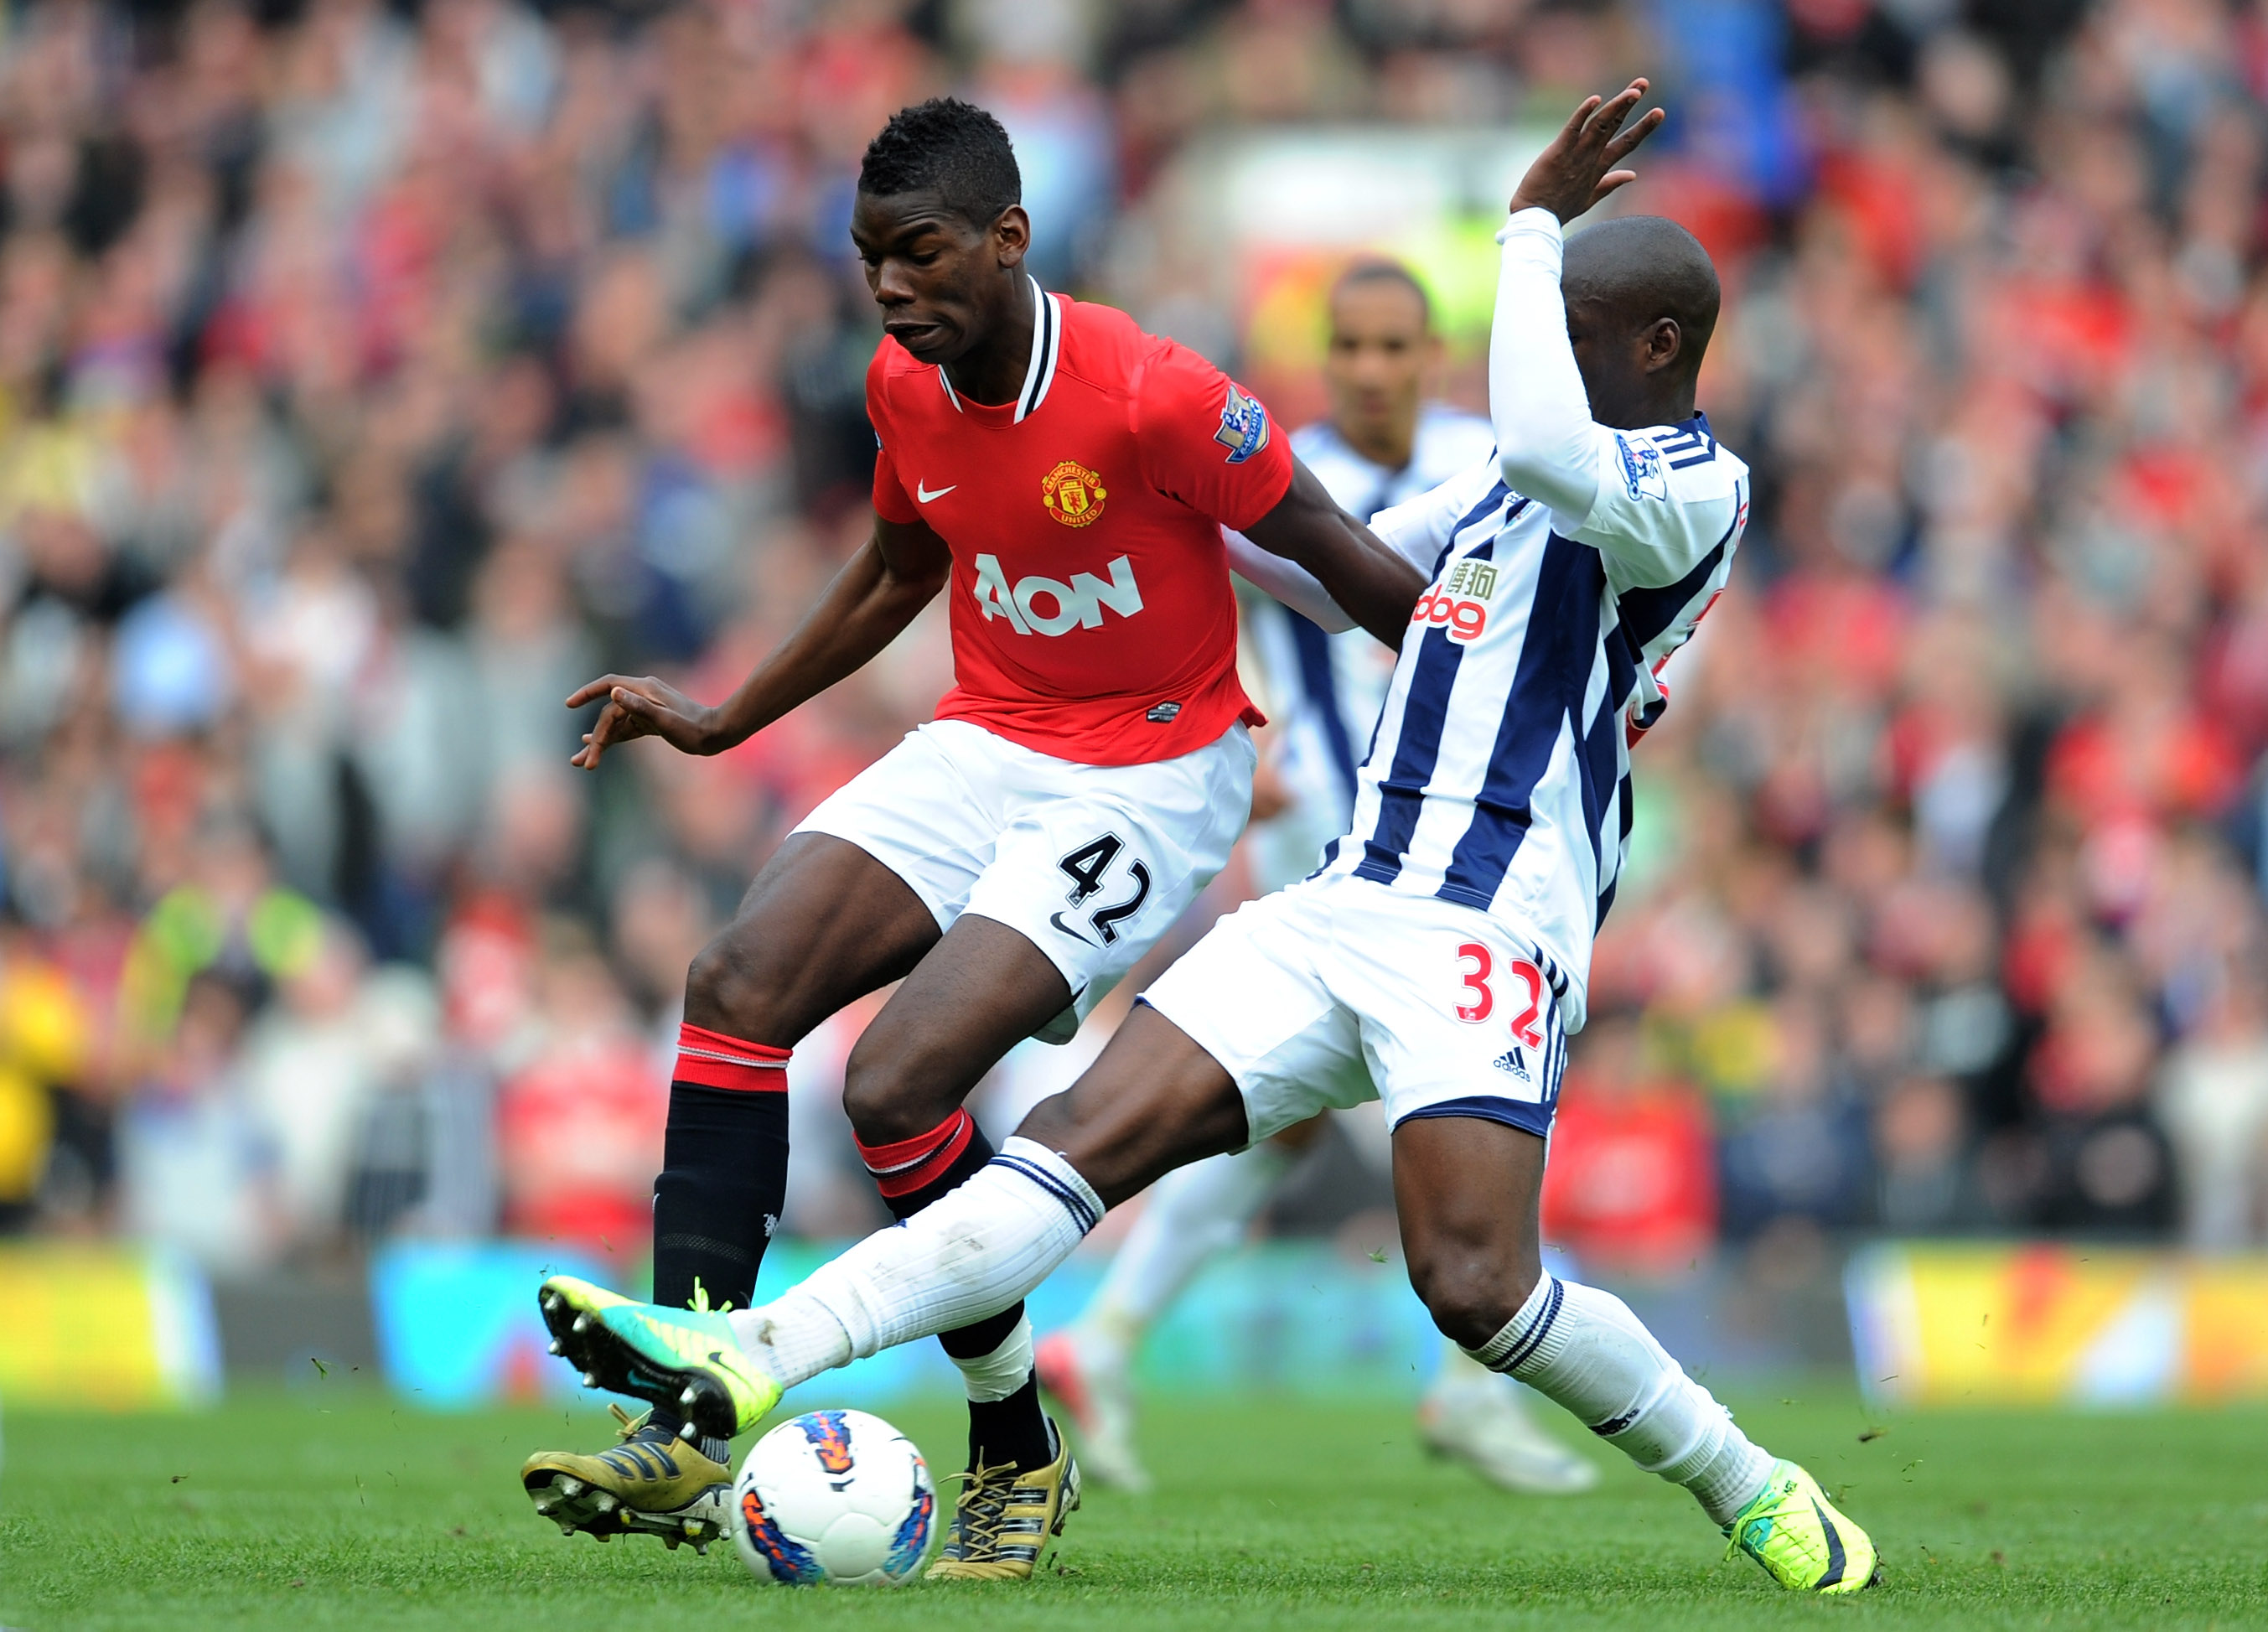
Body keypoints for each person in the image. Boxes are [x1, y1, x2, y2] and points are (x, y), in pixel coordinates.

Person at [533, 82, 1882, 1595]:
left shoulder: (1691, 488)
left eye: (1557, 348)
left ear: (1647, 353)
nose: (1528, 386)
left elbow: (1554, 458)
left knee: (1475, 1286)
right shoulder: (1507, 481)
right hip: (1341, 896)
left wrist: (1521, 228)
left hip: (1490, 924)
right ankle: (751, 1354)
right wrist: (1173, 495)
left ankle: (1746, 1479)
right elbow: (1337, 547)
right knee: (1058, 1157)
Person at [516, 96, 1423, 1577]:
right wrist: (725, 717)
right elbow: (896, 568)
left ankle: (1008, 1436)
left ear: (1008, 240)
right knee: (736, 983)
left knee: (895, 1080)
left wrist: (1517, 702)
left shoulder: (1153, 393)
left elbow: (1338, 561)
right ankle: (688, 1413)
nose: (887, 288)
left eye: (918, 254)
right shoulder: (901, 386)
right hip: (987, 737)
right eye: (870, 258)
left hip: (1149, 773)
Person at [1035, 261, 1595, 1497]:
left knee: (1275, 1130)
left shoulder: (1487, 459)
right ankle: (1472, 1385)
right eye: (1351, 347)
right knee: (1473, 1106)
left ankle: (1104, 1343)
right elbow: (1183, 600)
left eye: (1397, 346)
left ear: (1434, 354)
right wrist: (1230, 729)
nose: (1374, 370)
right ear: (1325, 358)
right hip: (1337, 849)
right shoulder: (1273, 471)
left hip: (1466, 841)